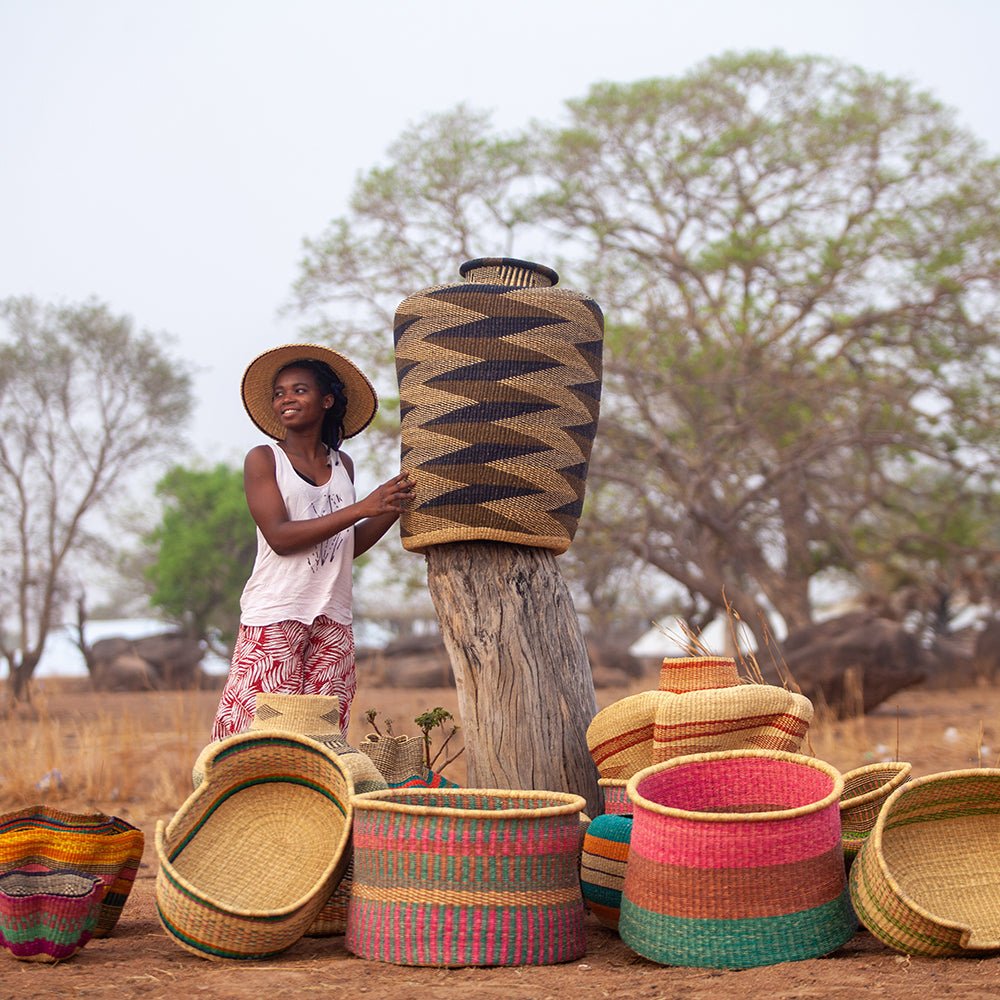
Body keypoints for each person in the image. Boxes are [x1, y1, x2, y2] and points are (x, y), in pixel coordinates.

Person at [211, 343, 413, 741]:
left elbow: (344, 548)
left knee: (320, 739)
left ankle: (306, 806)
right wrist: (362, 508)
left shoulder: (343, 465)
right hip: (275, 616)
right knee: (253, 734)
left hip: (333, 619)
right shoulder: (264, 460)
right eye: (280, 392)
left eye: (299, 390)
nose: (286, 398)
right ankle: (235, 803)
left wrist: (391, 505)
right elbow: (281, 538)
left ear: (326, 401)